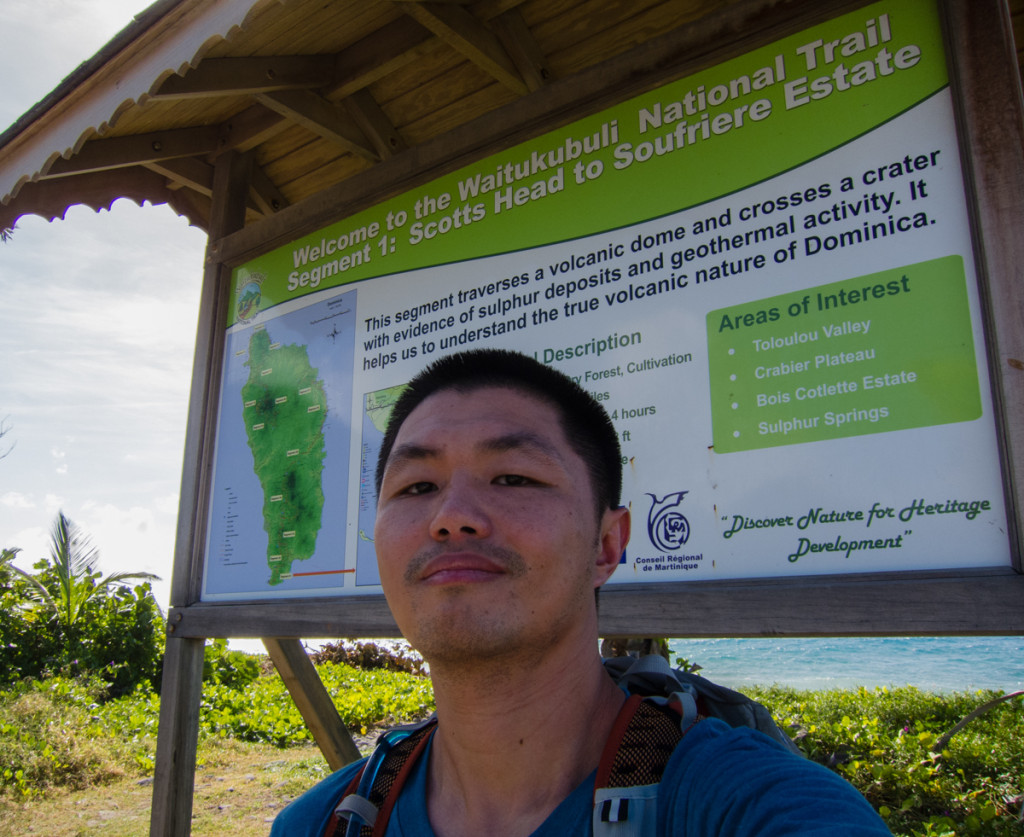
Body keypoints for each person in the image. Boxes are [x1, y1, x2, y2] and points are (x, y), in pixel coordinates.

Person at [273, 348, 890, 836]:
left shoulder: (742, 805)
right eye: (416, 487)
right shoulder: (320, 823)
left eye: (513, 477)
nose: (452, 516)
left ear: (606, 545)